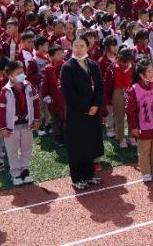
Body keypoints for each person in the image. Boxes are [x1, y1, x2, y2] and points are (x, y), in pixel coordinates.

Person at [59, 35, 105, 190]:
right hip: (77, 113)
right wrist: (86, 107)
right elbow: (68, 93)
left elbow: (99, 87)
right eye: (76, 46)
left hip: (93, 112)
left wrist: (96, 105)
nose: (78, 49)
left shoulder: (93, 65)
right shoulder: (67, 67)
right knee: (77, 144)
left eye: (81, 46)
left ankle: (90, 174)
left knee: (90, 142)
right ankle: (77, 177)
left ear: (88, 47)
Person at [0, 59, 41, 185]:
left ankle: (25, 170)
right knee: (12, 150)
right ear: (10, 76)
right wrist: (3, 127)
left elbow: (36, 103)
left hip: (27, 124)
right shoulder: (5, 91)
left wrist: (37, 118)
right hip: (12, 126)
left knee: (27, 148)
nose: (22, 75)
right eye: (18, 73)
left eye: (22, 72)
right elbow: (1, 111)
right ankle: (15, 173)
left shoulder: (29, 86)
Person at [126, 57, 153, 181]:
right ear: (141, 74)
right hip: (142, 127)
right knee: (144, 151)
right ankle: (145, 172)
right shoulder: (133, 89)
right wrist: (133, 127)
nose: (152, 73)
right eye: (149, 71)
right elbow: (130, 112)